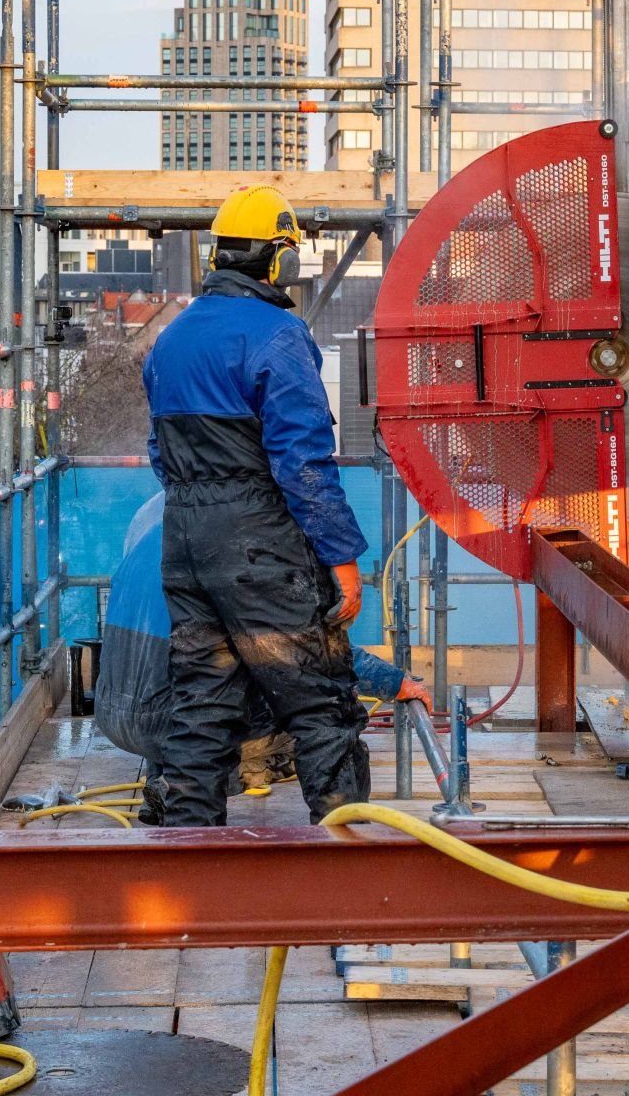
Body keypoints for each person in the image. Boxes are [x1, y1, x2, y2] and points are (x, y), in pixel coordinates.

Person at [142, 185, 373, 826]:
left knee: (202, 698)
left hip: (184, 537)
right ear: (278, 262)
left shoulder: (172, 337)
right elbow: (302, 464)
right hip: (255, 538)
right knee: (320, 698)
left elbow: (160, 453)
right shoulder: (277, 334)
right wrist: (343, 559)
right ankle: (350, 852)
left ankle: (189, 860)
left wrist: (204, 503)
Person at [96, 493, 432, 822]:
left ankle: (170, 787)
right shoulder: (248, 541)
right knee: (319, 701)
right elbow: (310, 652)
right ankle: (343, 822)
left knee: (201, 668)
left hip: (114, 713)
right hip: (170, 716)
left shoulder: (162, 514)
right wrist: (395, 683)